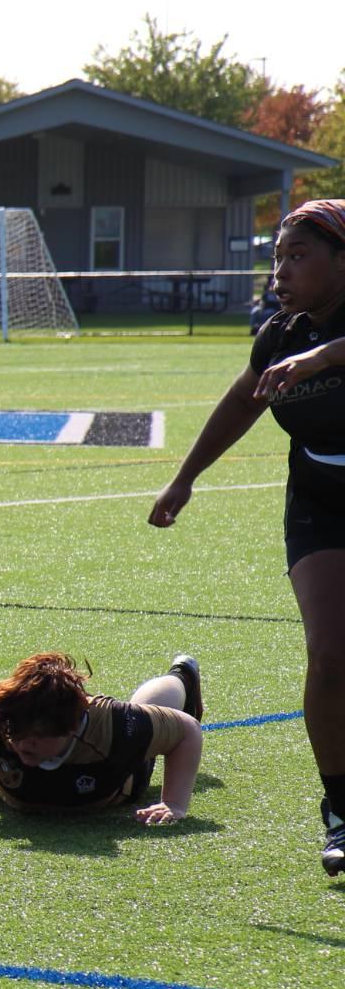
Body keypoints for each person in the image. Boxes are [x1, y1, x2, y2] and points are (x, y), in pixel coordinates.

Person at [150, 199, 345, 874]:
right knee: (328, 656)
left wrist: (324, 356)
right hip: (320, 496)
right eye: (276, 258)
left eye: (298, 257)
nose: (280, 272)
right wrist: (185, 479)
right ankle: (342, 810)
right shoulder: (279, 336)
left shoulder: (315, 344)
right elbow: (242, 401)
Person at [0, 653, 205, 825]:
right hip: (1, 771)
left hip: (113, 784)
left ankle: (181, 675)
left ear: (70, 727)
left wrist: (173, 803)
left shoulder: (117, 726)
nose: (24, 744)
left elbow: (188, 730)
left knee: (149, 709)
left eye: (38, 737)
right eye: (16, 733)